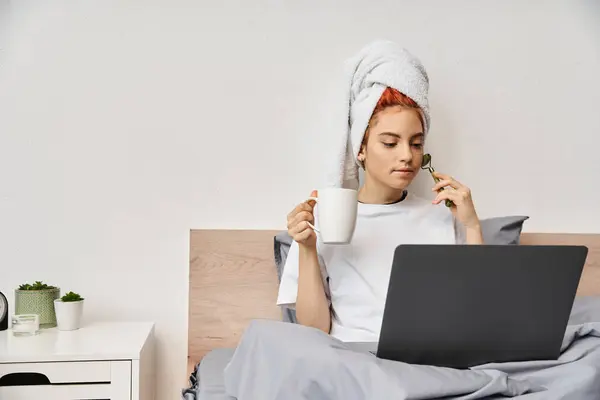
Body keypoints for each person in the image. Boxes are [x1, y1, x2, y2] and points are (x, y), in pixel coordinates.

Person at [276, 83, 484, 343]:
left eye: (416, 144)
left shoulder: (441, 215)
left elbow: (475, 314)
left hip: (429, 360)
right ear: (360, 149)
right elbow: (315, 331)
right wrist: (307, 247)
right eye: (390, 143)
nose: (407, 155)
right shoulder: (323, 220)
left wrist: (472, 226)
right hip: (353, 360)